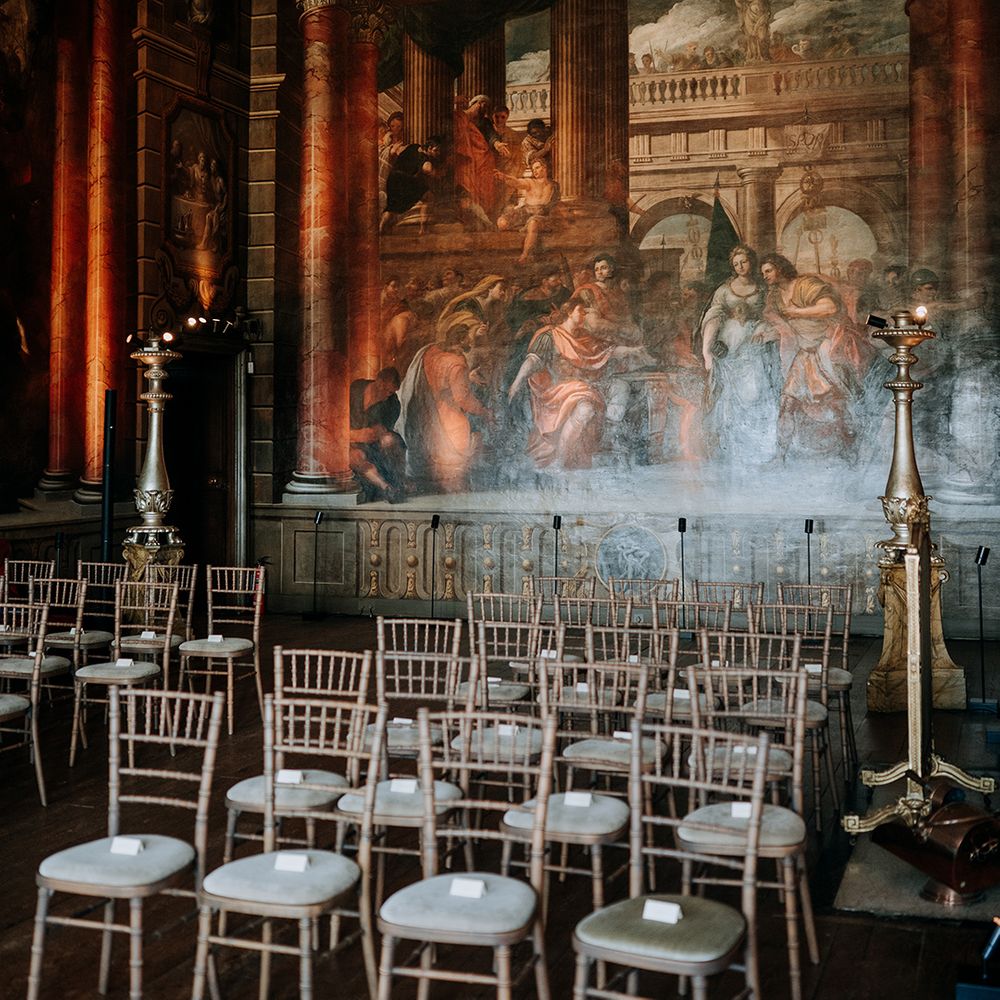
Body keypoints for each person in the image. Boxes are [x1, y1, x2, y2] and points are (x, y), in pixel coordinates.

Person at [508, 297, 651, 470]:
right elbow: (533, 361)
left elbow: (607, 351)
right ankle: (562, 460)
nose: (584, 314)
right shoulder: (550, 336)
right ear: (569, 312)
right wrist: (517, 381)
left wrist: (632, 350)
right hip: (557, 390)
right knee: (586, 409)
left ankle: (585, 452)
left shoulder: (584, 337)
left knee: (615, 391)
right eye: (581, 311)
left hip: (584, 386)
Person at [758, 252, 867, 457]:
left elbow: (829, 307)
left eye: (768, 270)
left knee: (837, 404)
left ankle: (852, 453)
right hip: (803, 353)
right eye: (763, 272)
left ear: (780, 268)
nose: (765, 275)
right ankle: (780, 455)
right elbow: (773, 319)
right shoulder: (774, 296)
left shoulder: (805, 284)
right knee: (787, 403)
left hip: (826, 346)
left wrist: (795, 313)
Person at [698, 244, 778, 462]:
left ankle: (758, 446)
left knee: (755, 390)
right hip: (729, 343)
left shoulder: (762, 287)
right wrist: (708, 350)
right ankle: (733, 447)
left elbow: (770, 313)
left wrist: (763, 327)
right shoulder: (724, 290)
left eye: (744, 261)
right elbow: (713, 315)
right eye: (736, 264)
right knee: (729, 395)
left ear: (751, 261)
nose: (741, 266)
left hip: (754, 342)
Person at [396, 320, 493, 493]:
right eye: (469, 336)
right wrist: (484, 411)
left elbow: (440, 381)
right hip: (447, 418)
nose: (471, 341)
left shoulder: (430, 351)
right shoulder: (456, 362)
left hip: (424, 413)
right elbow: (462, 398)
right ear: (461, 338)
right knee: (459, 457)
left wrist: (467, 378)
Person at [349, 367, 406, 502]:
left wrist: (374, 434)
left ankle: (396, 484)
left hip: (372, 445)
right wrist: (354, 435)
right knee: (355, 457)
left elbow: (380, 432)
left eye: (391, 392)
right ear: (379, 381)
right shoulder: (356, 388)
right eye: (387, 390)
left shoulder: (392, 404)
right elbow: (336, 420)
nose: (388, 395)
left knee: (390, 440)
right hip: (347, 441)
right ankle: (385, 487)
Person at [454, 95, 509, 227]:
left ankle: (485, 217)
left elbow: (491, 135)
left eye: (485, 106)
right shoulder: (460, 118)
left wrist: (497, 144)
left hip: (483, 160)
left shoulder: (484, 122)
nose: (482, 108)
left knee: (485, 190)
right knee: (468, 188)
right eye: (481, 104)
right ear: (475, 104)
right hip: (467, 160)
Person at [495, 158, 560, 263]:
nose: (535, 171)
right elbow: (517, 182)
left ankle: (525, 255)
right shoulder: (531, 182)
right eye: (533, 169)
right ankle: (524, 229)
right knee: (501, 223)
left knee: (533, 223)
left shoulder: (554, 186)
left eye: (537, 167)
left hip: (541, 215)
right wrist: (504, 177)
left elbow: (555, 205)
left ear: (545, 168)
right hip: (525, 212)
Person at [380, 136, 442, 234]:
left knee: (392, 207)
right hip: (405, 180)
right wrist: (437, 173)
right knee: (428, 197)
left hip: (392, 178)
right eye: (436, 150)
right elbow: (428, 169)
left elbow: (397, 151)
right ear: (429, 148)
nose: (438, 154)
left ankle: (381, 228)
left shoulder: (413, 146)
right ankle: (423, 229)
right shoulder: (424, 158)